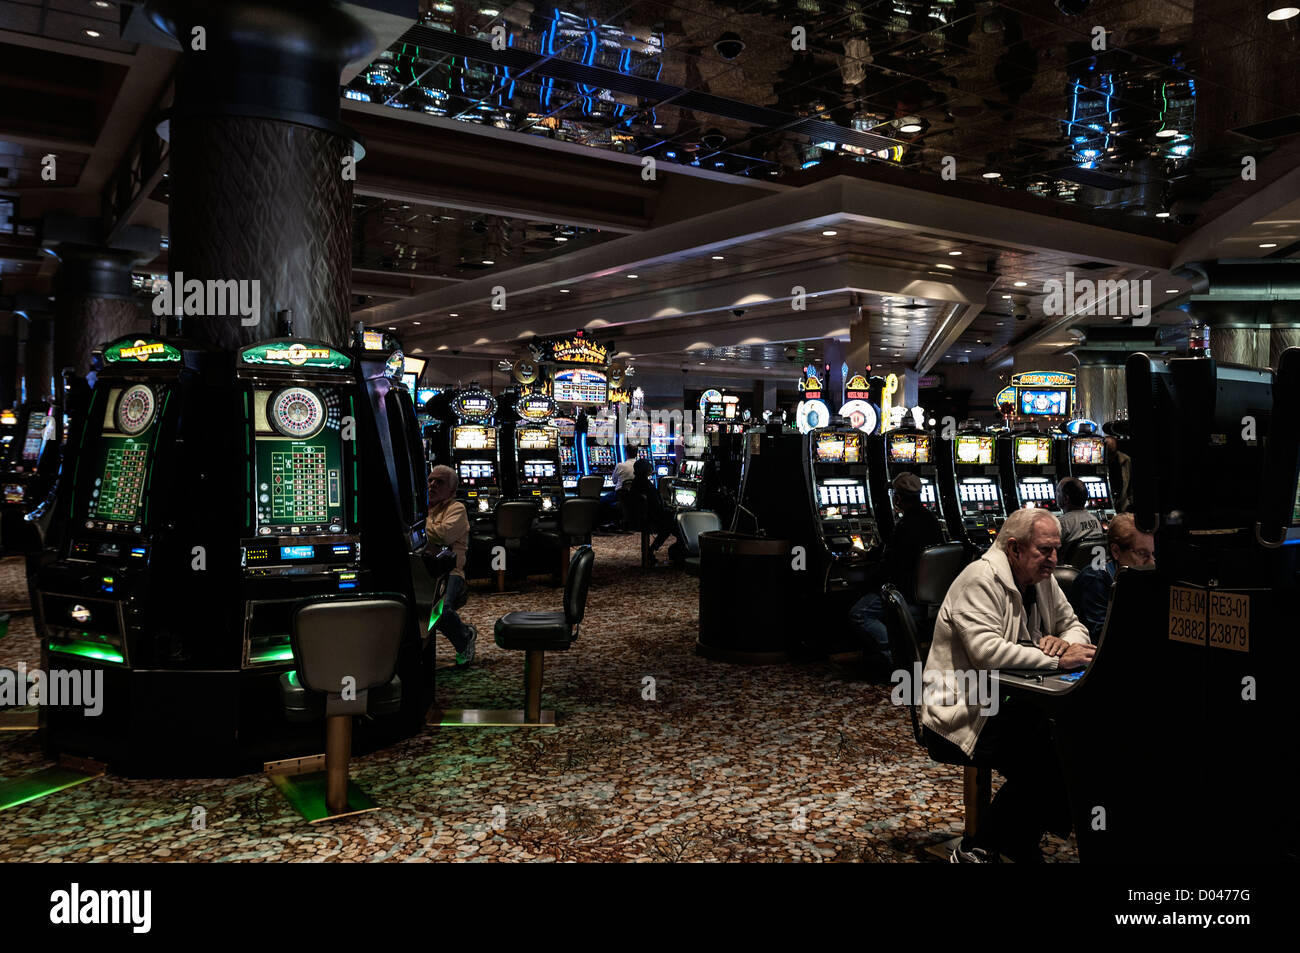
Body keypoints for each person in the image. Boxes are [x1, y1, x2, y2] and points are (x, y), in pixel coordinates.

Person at [921, 508, 1095, 863]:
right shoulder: (980, 579)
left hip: (1004, 699)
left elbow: (1073, 625)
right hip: (961, 709)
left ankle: (1006, 841)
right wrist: (1055, 660)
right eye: (1045, 550)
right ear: (1014, 549)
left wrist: (1066, 642)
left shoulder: (1041, 578)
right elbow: (986, 653)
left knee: (1064, 745)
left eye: (1056, 550)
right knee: (1048, 758)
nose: (1054, 559)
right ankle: (980, 848)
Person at [848, 472, 945, 679]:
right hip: (930, 599)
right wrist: (871, 554)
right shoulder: (932, 521)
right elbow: (893, 551)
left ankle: (900, 661)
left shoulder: (906, 526)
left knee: (860, 613)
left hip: (905, 596)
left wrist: (866, 581)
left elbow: (891, 567)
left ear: (898, 498)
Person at [1069, 513, 1155, 641]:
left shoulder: (1141, 575)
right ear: (1115, 551)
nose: (1152, 562)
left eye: (1153, 554)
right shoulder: (1095, 578)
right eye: (1142, 554)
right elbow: (1103, 635)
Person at [425, 464, 477, 666]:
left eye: (440, 482)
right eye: (430, 480)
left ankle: (464, 638)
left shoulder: (457, 508)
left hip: (449, 571)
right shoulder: (422, 505)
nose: (432, 485)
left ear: (452, 491)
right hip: (421, 567)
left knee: (439, 611)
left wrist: (422, 525)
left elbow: (443, 535)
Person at [627, 457, 684, 563]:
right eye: (649, 466)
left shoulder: (636, 482)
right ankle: (677, 548)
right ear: (645, 470)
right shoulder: (646, 484)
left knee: (671, 521)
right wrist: (670, 508)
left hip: (642, 517)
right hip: (651, 518)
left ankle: (655, 550)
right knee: (674, 523)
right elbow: (656, 505)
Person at [1055, 477, 1102, 551]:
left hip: (1068, 562)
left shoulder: (1062, 523)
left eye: (1058, 492)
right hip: (1092, 562)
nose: (1055, 494)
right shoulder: (1095, 520)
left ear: (1066, 498)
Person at [1104, 435, 1132, 513]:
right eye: (1107, 453)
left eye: (1112, 453)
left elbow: (1130, 483)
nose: (1109, 457)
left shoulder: (1125, 460)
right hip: (1105, 502)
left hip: (1122, 504)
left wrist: (1130, 502)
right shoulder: (1099, 461)